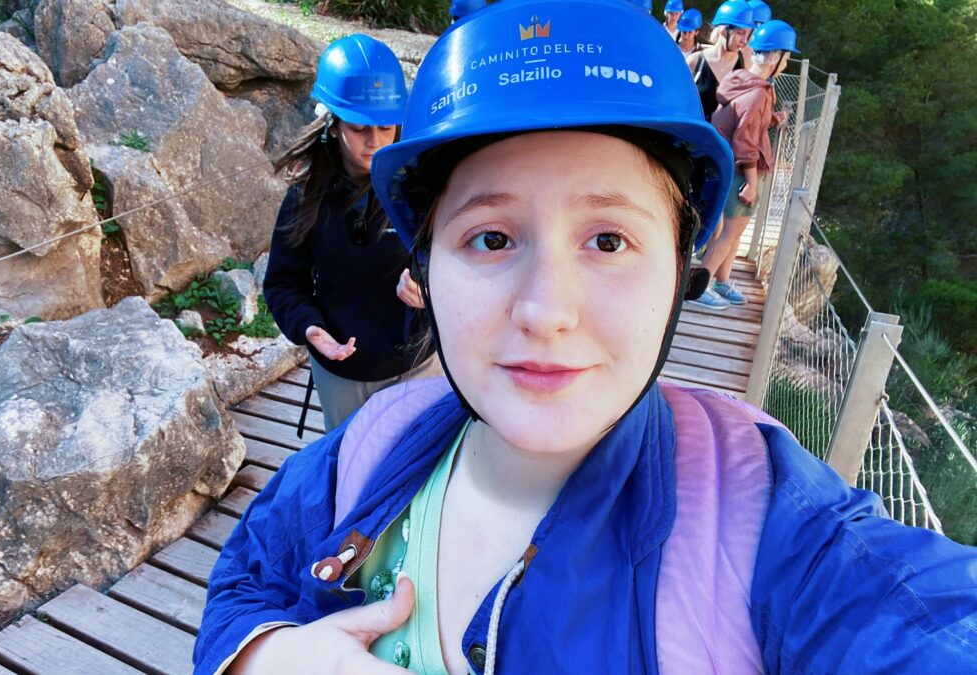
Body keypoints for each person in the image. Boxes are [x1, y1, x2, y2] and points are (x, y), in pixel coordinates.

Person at [195, 2, 977, 674]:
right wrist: (267, 653)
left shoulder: (764, 525)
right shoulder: (373, 444)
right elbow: (249, 575)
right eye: (491, 238)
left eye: (608, 240)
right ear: (428, 266)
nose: (547, 311)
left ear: (680, 263)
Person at [262, 34, 439, 431]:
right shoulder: (305, 197)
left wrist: (430, 289)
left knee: (415, 463)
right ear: (332, 123)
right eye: (359, 128)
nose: (374, 142)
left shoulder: (421, 187)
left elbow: (459, 262)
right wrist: (309, 328)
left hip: (417, 364)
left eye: (386, 127)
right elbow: (282, 284)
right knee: (348, 462)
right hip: (340, 369)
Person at [689, 19, 796, 310]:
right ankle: (698, 287)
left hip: (728, 166)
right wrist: (750, 182)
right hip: (743, 172)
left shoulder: (744, 80)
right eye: (786, 57)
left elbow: (745, 119)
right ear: (775, 57)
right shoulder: (759, 93)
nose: (787, 63)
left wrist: (772, 119)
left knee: (733, 233)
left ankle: (721, 281)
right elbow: (746, 141)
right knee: (729, 234)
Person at [686, 0, 754, 120]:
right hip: (695, 131)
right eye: (740, 33)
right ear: (723, 31)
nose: (744, 41)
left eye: (747, 35)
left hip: (725, 133)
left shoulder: (745, 65)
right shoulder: (695, 62)